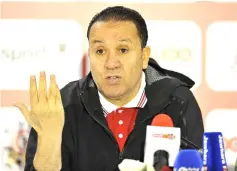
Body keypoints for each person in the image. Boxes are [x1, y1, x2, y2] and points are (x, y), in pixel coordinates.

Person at [15, 6, 204, 171]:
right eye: (100, 51)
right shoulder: (63, 105)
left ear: (144, 56)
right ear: (89, 55)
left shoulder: (178, 101)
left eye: (123, 50)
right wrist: (49, 142)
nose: (111, 63)